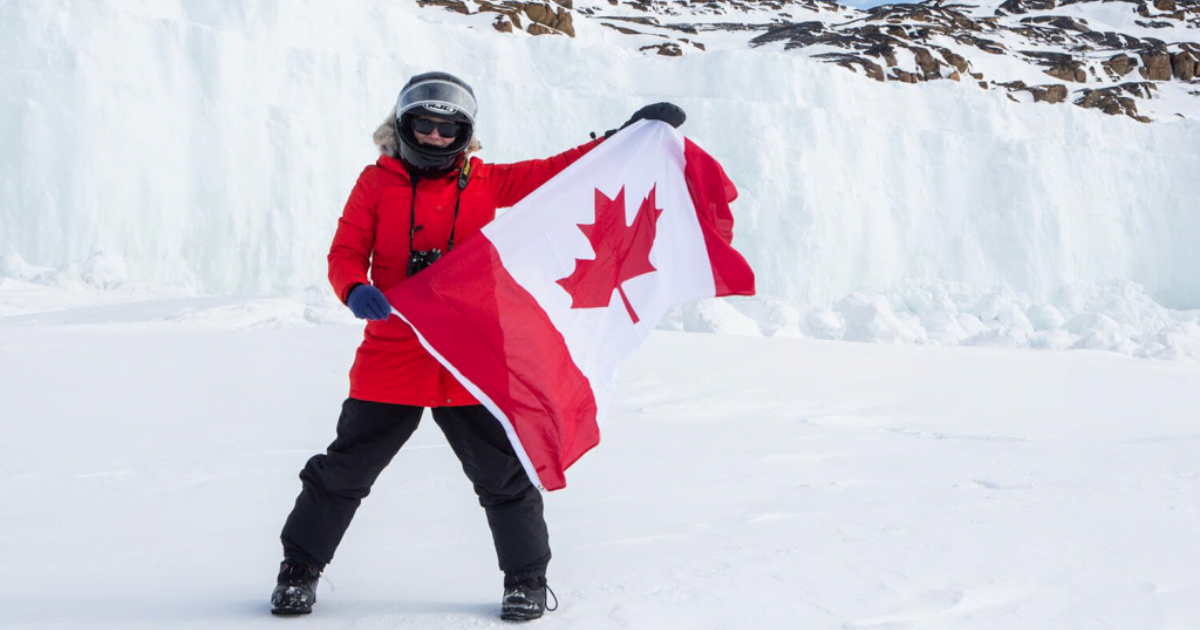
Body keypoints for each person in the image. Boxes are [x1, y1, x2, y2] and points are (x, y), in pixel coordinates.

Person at [270, 71, 685, 621]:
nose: (436, 137)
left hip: (470, 358)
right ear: (403, 125)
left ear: (465, 133)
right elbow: (345, 252)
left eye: (448, 128)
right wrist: (354, 287)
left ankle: (527, 581)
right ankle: (299, 572)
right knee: (345, 470)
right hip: (394, 350)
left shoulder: (485, 181)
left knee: (503, 476)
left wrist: (621, 140)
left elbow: (555, 174)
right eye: (425, 125)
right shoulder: (375, 184)